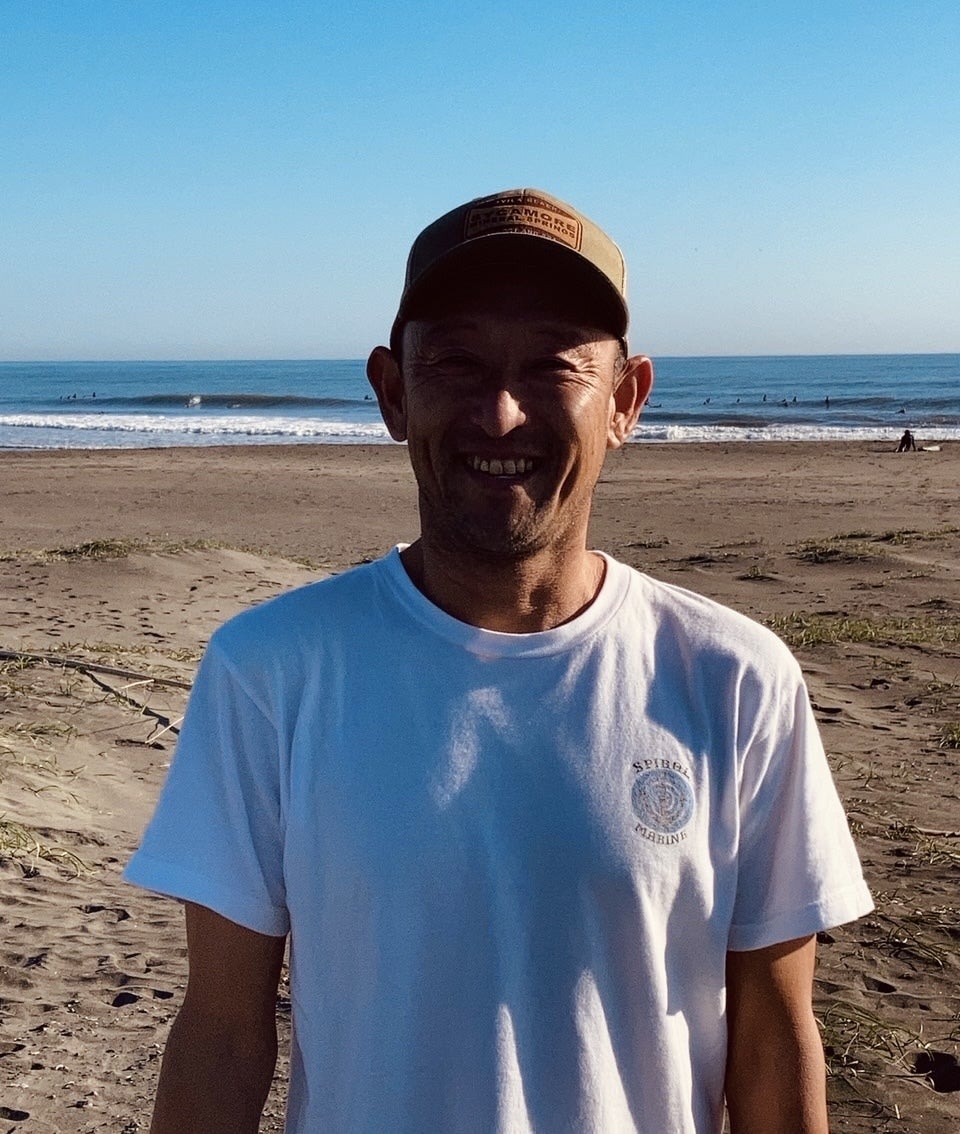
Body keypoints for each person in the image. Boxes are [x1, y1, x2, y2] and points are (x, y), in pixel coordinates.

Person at [125, 188, 873, 1133]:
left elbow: (773, 1034)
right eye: (456, 363)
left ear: (625, 401)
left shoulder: (734, 678)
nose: (502, 413)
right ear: (393, 393)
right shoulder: (272, 670)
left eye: (553, 365)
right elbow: (223, 1034)